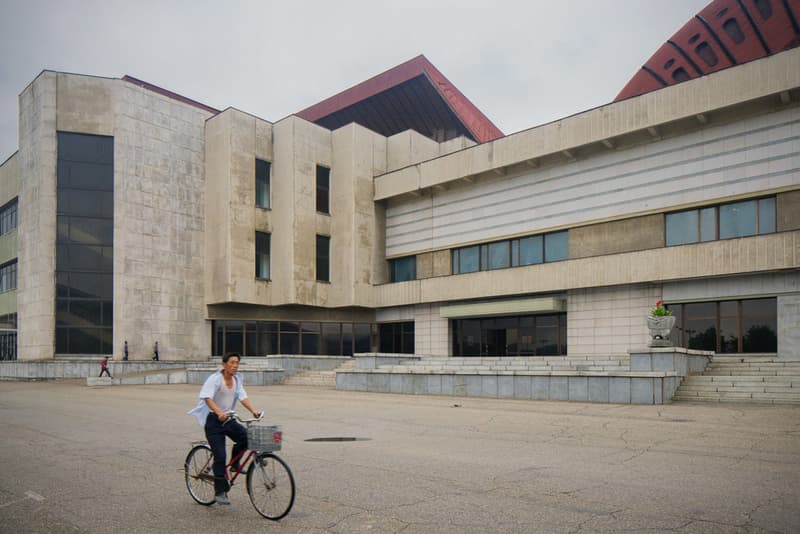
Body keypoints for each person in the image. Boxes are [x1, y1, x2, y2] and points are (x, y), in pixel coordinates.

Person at [187, 352, 261, 505]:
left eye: (237, 363)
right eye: (232, 362)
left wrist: (253, 410)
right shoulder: (215, 379)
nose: (235, 366)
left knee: (247, 437)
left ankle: (235, 464)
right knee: (220, 455)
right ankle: (220, 491)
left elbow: (242, 397)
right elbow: (207, 397)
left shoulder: (236, 379)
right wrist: (219, 412)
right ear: (224, 363)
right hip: (214, 422)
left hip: (228, 419)